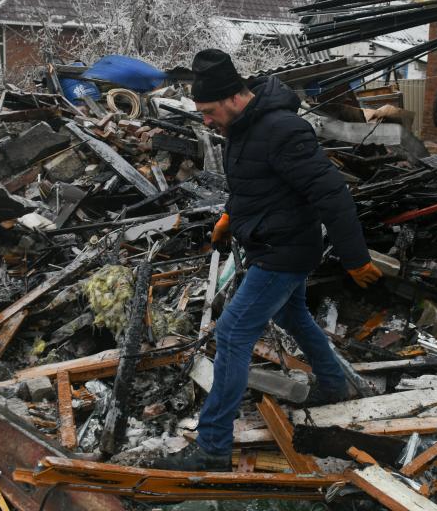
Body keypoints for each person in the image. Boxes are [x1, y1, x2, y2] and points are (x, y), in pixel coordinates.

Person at [158, 49, 383, 471]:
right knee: (293, 316)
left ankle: (212, 448)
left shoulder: (282, 129)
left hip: (285, 252)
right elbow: (252, 184)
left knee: (231, 335)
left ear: (232, 97)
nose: (205, 120)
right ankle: (334, 384)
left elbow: (331, 192)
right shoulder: (244, 128)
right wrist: (229, 216)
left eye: (207, 111)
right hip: (269, 242)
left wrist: (354, 256)